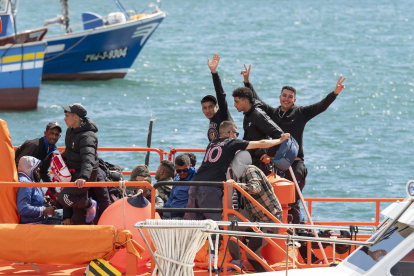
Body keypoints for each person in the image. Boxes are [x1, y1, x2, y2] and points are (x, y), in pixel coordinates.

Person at [242, 65, 346, 224]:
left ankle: (297, 232)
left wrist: (335, 93)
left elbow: (321, 106)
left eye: (290, 97)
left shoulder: (301, 113)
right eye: (284, 95)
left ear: (294, 100)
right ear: (279, 97)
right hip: (274, 165)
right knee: (271, 200)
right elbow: (256, 101)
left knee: (292, 202)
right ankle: (273, 228)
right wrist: (247, 82)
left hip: (295, 164)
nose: (287, 99)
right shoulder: (272, 113)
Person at [185, 120, 289, 221]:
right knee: (215, 222)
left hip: (195, 183)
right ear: (230, 133)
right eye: (236, 133)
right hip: (210, 186)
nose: (236, 137)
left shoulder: (212, 143)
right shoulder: (231, 143)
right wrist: (280, 140)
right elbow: (261, 143)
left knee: (191, 221)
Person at [225, 151, 283, 272]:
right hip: (254, 212)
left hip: (270, 218)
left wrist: (237, 185)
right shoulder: (243, 174)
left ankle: (266, 273)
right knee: (231, 225)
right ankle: (236, 260)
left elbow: (255, 188)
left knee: (251, 252)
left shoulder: (250, 170)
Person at [57, 103, 98, 225]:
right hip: (73, 171)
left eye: (67, 115)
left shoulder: (88, 136)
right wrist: (59, 156)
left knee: (63, 198)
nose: (64, 119)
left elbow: (89, 158)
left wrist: (83, 177)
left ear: (76, 117)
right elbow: (71, 149)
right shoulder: (70, 131)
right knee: (77, 211)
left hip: (86, 175)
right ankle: (77, 226)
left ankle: (89, 203)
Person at [232, 87, 284, 175]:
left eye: (236, 101)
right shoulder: (247, 114)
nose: (234, 105)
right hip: (251, 160)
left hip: (261, 163)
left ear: (245, 101)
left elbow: (279, 134)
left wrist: (269, 154)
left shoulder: (257, 115)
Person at [15, 121, 62, 198]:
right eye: (51, 133)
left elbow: (43, 171)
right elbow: (18, 165)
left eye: (56, 134)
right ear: (45, 133)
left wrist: (54, 191)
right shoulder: (35, 146)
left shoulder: (50, 150)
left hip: (29, 181)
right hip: (19, 181)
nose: (54, 137)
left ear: (59, 136)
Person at [16, 156, 61, 224]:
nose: (39, 169)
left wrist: (42, 199)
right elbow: (23, 208)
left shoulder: (27, 179)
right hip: (34, 222)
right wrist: (44, 210)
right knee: (67, 218)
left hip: (37, 219)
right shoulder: (25, 183)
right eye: (36, 166)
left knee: (62, 214)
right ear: (29, 167)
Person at [202, 53, 233, 142]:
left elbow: (220, 95)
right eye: (205, 108)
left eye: (211, 107)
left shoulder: (223, 115)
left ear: (216, 107)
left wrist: (214, 73)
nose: (208, 111)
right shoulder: (212, 120)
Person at [163, 154, 197, 219]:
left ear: (190, 167)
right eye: (179, 171)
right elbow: (171, 198)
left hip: (185, 214)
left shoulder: (195, 177)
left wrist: (191, 170)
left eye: (185, 170)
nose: (182, 173)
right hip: (172, 211)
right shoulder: (177, 178)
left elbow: (199, 173)